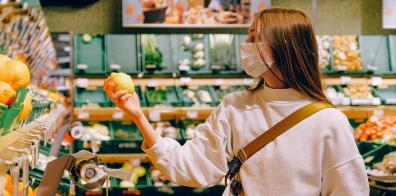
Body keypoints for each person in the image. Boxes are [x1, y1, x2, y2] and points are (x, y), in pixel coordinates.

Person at [103, 8, 369, 196]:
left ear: (283, 46)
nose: (246, 44)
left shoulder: (328, 122)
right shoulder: (235, 107)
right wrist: (138, 116)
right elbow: (191, 166)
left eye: (255, 37)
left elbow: (349, 190)